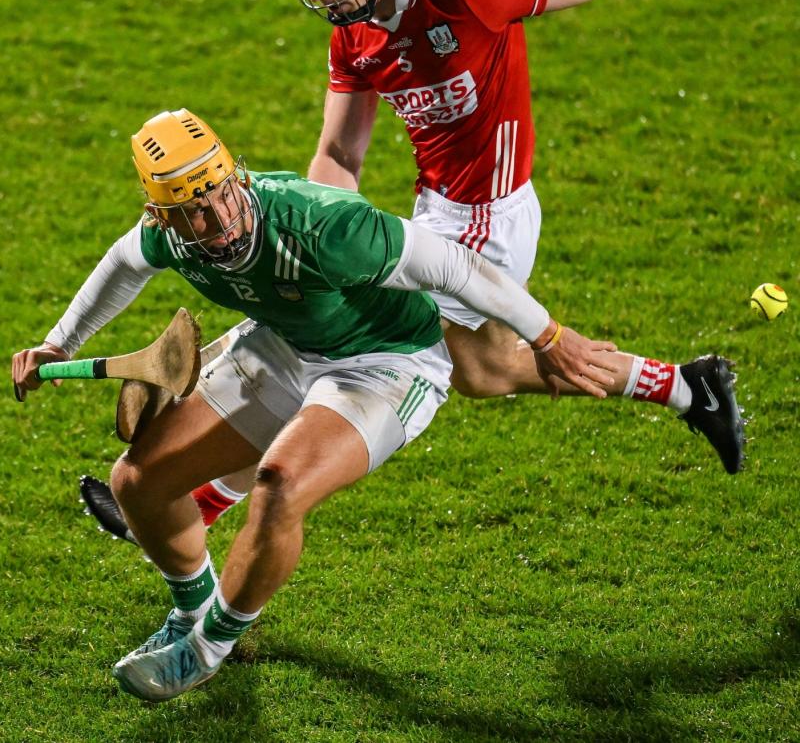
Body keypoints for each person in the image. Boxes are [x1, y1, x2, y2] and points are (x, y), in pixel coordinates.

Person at [77, 0, 767, 540]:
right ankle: (688, 387)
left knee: (340, 338)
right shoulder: (353, 33)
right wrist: (310, 237)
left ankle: (201, 500)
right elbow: (339, 157)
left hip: (491, 220)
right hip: (435, 208)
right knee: (482, 370)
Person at [13, 109, 743, 700]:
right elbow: (123, 263)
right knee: (137, 483)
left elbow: (454, 265)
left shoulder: (323, 226)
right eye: (192, 213)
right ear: (163, 214)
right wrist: (57, 342)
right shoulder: (172, 237)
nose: (218, 222)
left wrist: (547, 332)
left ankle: (209, 646)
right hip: (284, 347)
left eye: (220, 195)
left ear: (234, 174)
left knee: (279, 484)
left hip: (389, 363)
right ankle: (192, 608)